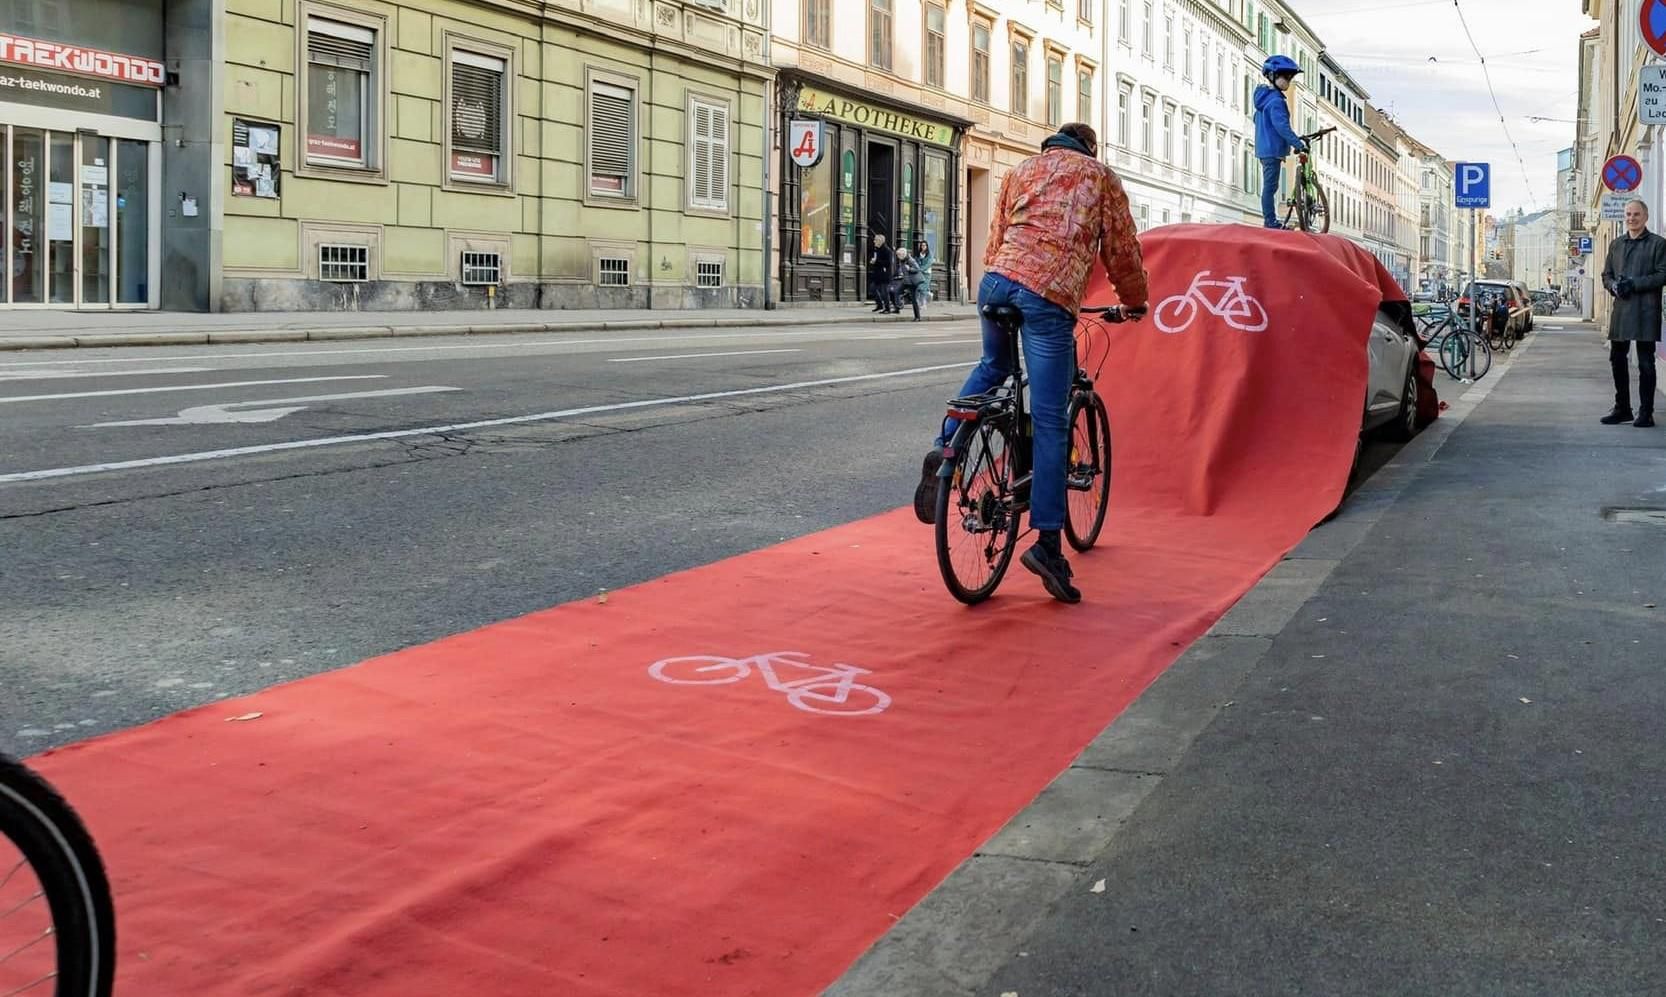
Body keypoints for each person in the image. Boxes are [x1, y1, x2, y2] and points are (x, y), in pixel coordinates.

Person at [912, 122, 1150, 604]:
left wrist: (1003, 278)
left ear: (1051, 146)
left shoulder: (1021, 171)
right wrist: (1135, 300)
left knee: (995, 364)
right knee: (1049, 423)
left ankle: (944, 448)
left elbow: (997, 236)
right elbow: (1122, 250)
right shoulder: (1100, 177)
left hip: (997, 283)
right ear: (1090, 147)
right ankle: (1047, 546)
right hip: (1049, 293)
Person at [1600, 198, 1666, 427]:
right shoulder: (1616, 244)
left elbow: (1662, 275)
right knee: (1617, 358)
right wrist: (1613, 286)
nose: (1631, 218)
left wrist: (1634, 284)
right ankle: (1622, 408)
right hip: (1621, 310)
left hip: (1646, 310)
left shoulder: (1658, 244)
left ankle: (1646, 412)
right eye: (1628, 214)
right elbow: (1606, 274)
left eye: (1636, 214)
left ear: (1645, 217)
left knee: (1646, 362)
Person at [1252, 55, 1308, 230]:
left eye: (1290, 77)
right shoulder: (1276, 101)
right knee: (1270, 187)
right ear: (1272, 76)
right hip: (1272, 150)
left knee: (1271, 186)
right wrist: (1297, 144)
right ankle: (1270, 221)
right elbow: (1282, 126)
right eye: (1285, 76)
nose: (1288, 81)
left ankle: (1270, 220)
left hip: (1266, 148)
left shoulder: (1265, 99)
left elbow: (1257, 120)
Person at [897, 245, 929, 321]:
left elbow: (918, 269)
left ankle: (917, 317)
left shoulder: (910, 260)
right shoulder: (902, 260)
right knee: (897, 292)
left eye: (898, 255)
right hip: (906, 281)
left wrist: (910, 269)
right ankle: (898, 306)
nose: (897, 256)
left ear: (903, 255)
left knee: (914, 299)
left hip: (913, 282)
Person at [869, 233, 898, 314]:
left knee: (884, 292)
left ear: (880, 241)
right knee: (873, 289)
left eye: (875, 240)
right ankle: (879, 305)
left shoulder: (887, 250)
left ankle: (887, 308)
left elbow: (888, 263)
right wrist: (873, 262)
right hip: (877, 274)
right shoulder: (876, 249)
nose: (874, 241)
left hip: (884, 275)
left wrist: (876, 261)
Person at [909, 238, 935, 320]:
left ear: (927, 246)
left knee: (923, 288)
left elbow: (928, 264)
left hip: (927, 273)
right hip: (919, 273)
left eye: (924, 245)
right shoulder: (918, 254)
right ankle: (921, 301)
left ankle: (923, 303)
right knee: (918, 288)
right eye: (922, 245)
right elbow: (915, 262)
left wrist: (920, 269)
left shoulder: (929, 254)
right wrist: (917, 269)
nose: (923, 247)